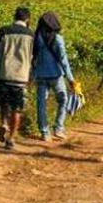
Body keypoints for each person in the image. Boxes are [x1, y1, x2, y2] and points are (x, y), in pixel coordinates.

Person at [0, 6, 34, 150]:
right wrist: (31, 76)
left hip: (4, 74)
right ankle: (11, 138)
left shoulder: (4, 31)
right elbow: (33, 58)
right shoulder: (31, 35)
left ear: (14, 17)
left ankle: (3, 123)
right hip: (21, 78)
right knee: (17, 109)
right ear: (27, 19)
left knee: (4, 104)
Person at [32, 11, 76, 142]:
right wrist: (71, 79)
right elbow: (63, 60)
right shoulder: (57, 39)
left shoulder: (37, 37)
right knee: (63, 100)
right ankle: (58, 128)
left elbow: (32, 57)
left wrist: (31, 73)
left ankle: (44, 132)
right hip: (56, 75)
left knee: (41, 103)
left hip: (40, 74)